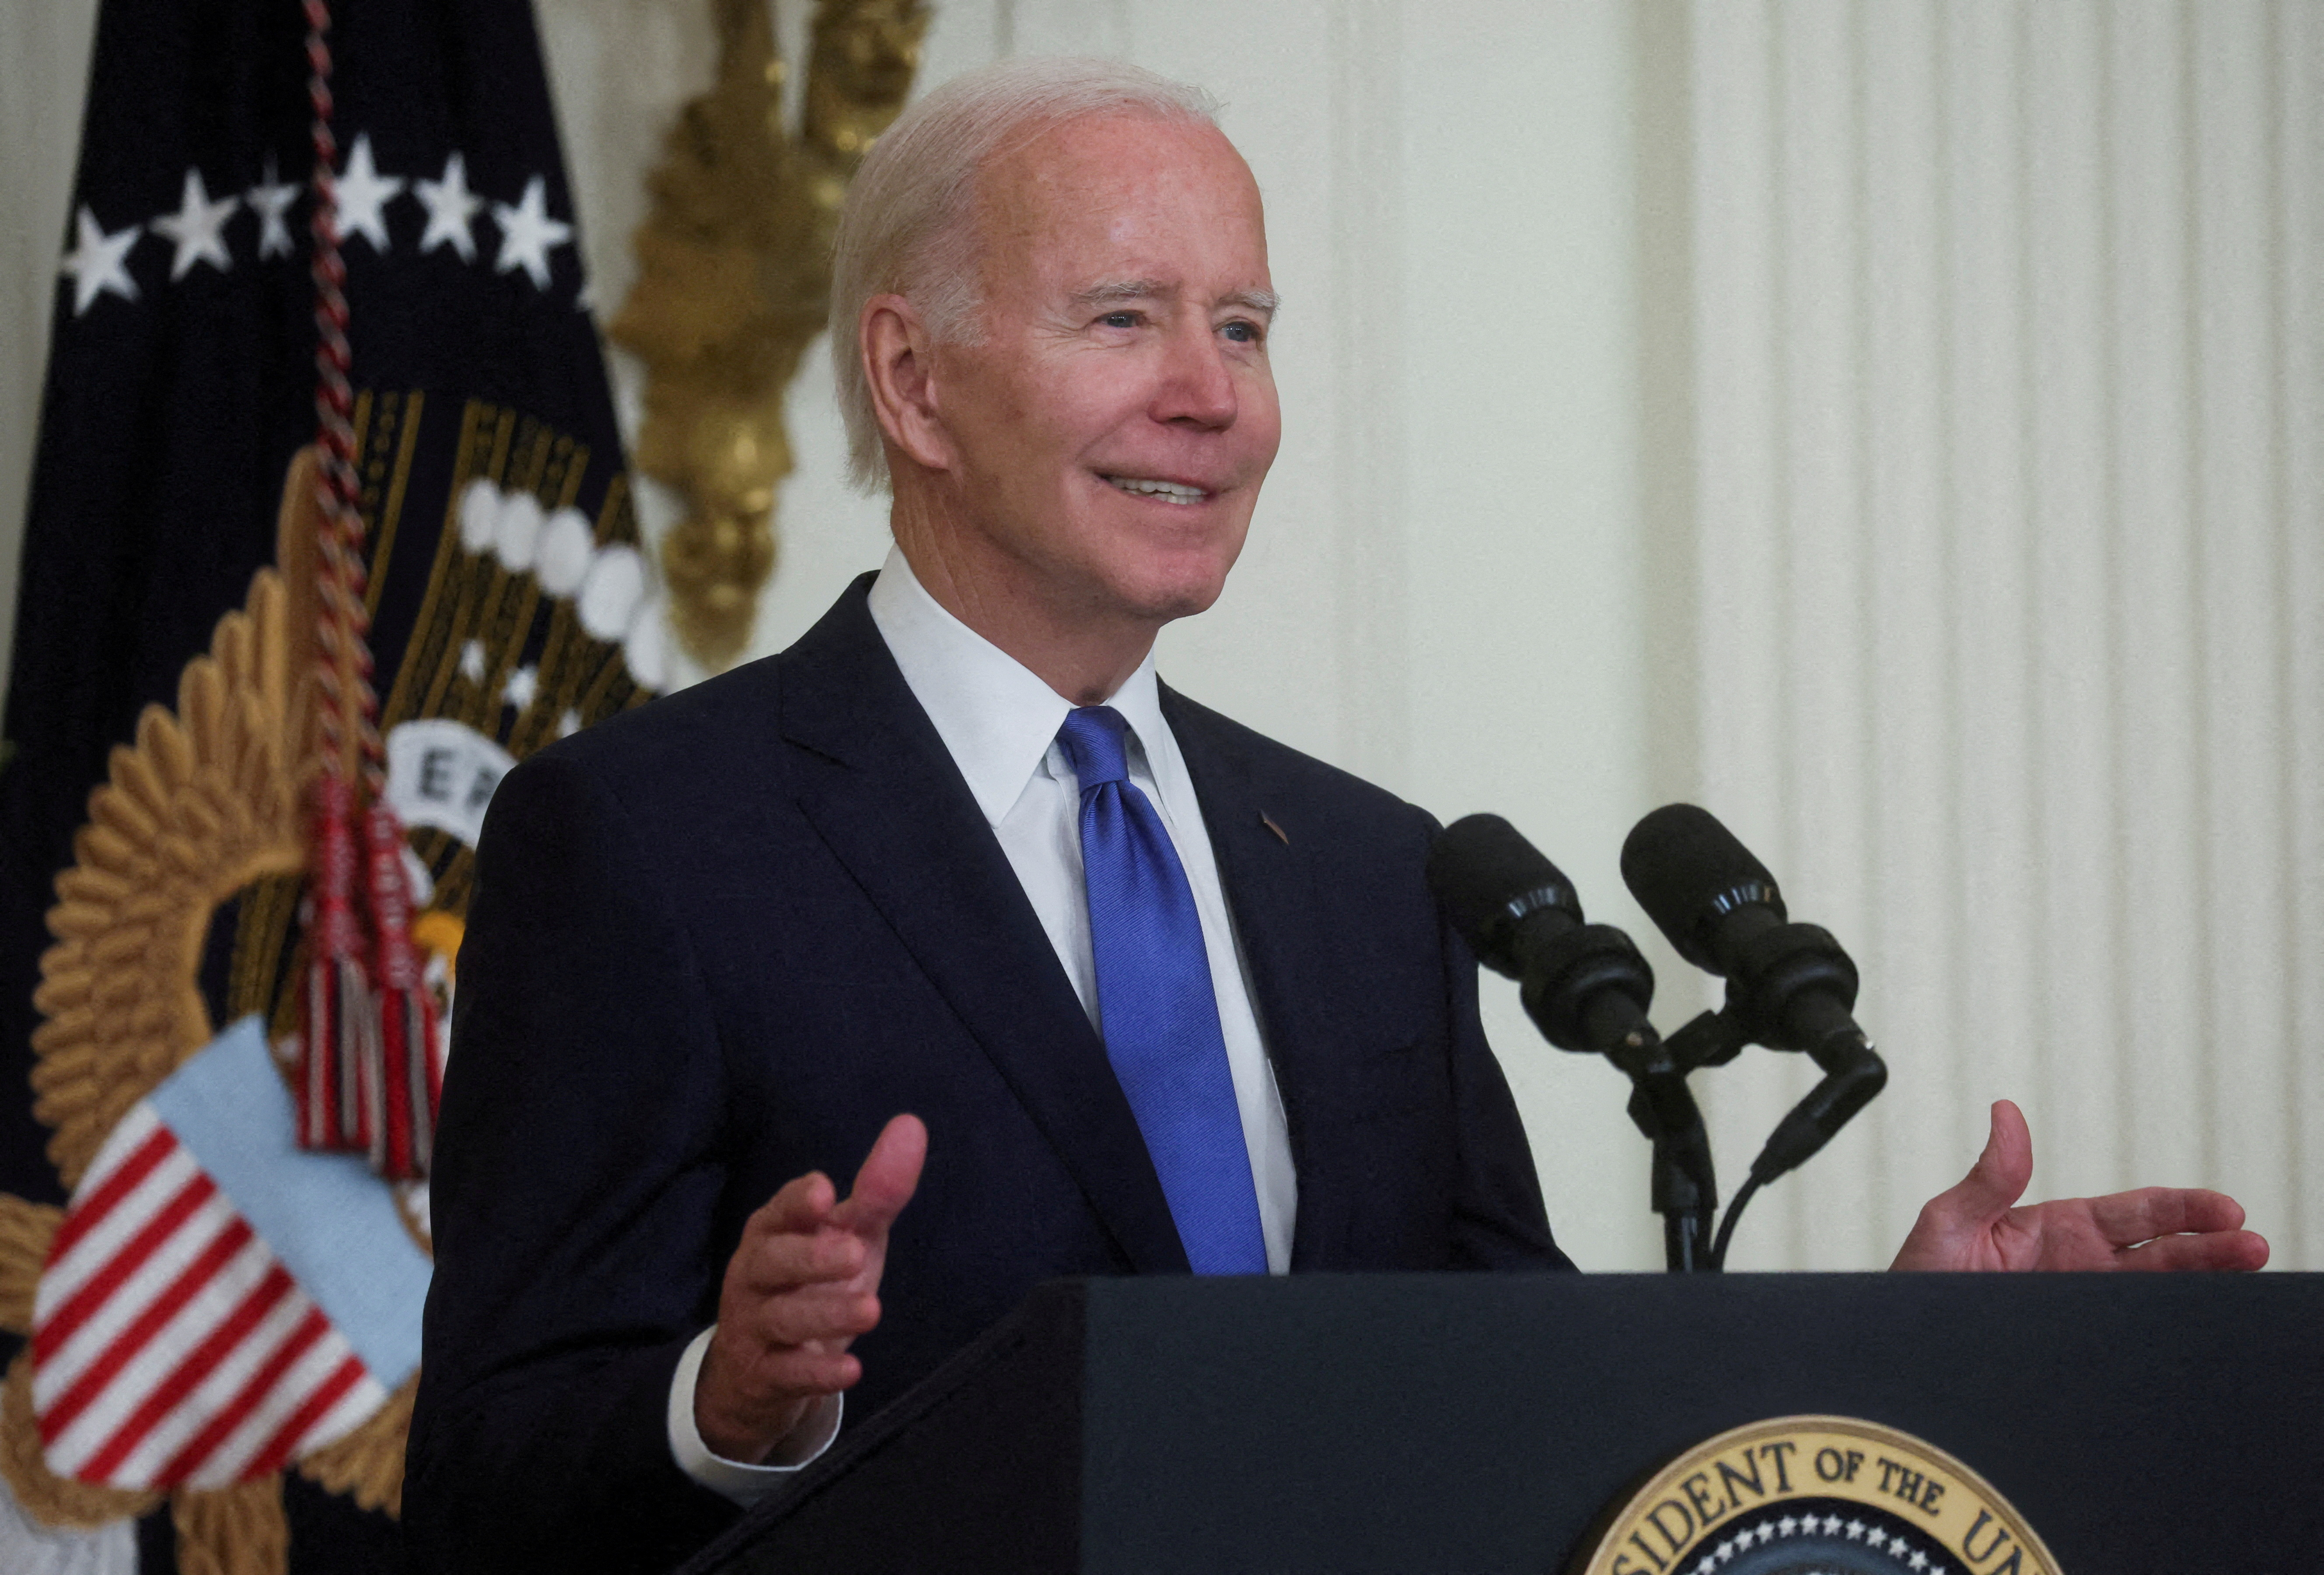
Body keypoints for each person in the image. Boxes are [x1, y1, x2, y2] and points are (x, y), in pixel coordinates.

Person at [402, 57, 2266, 1573]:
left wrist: (1895, 1347)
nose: (1212, 396)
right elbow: (486, 1482)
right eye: (1127, 317)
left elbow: (1520, 1413)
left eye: (1247, 323)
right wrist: (730, 1406)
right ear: (916, 380)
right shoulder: (650, 838)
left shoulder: (1378, 869)